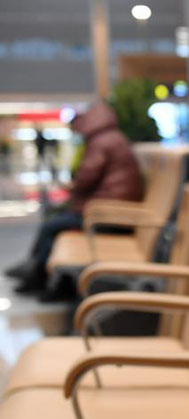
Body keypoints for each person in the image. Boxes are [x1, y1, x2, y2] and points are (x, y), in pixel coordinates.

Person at [6, 101, 143, 294]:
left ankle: (40, 276)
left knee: (51, 225)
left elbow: (87, 176)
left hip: (107, 214)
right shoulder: (111, 138)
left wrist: (74, 186)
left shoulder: (102, 141)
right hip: (105, 208)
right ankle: (40, 270)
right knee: (54, 219)